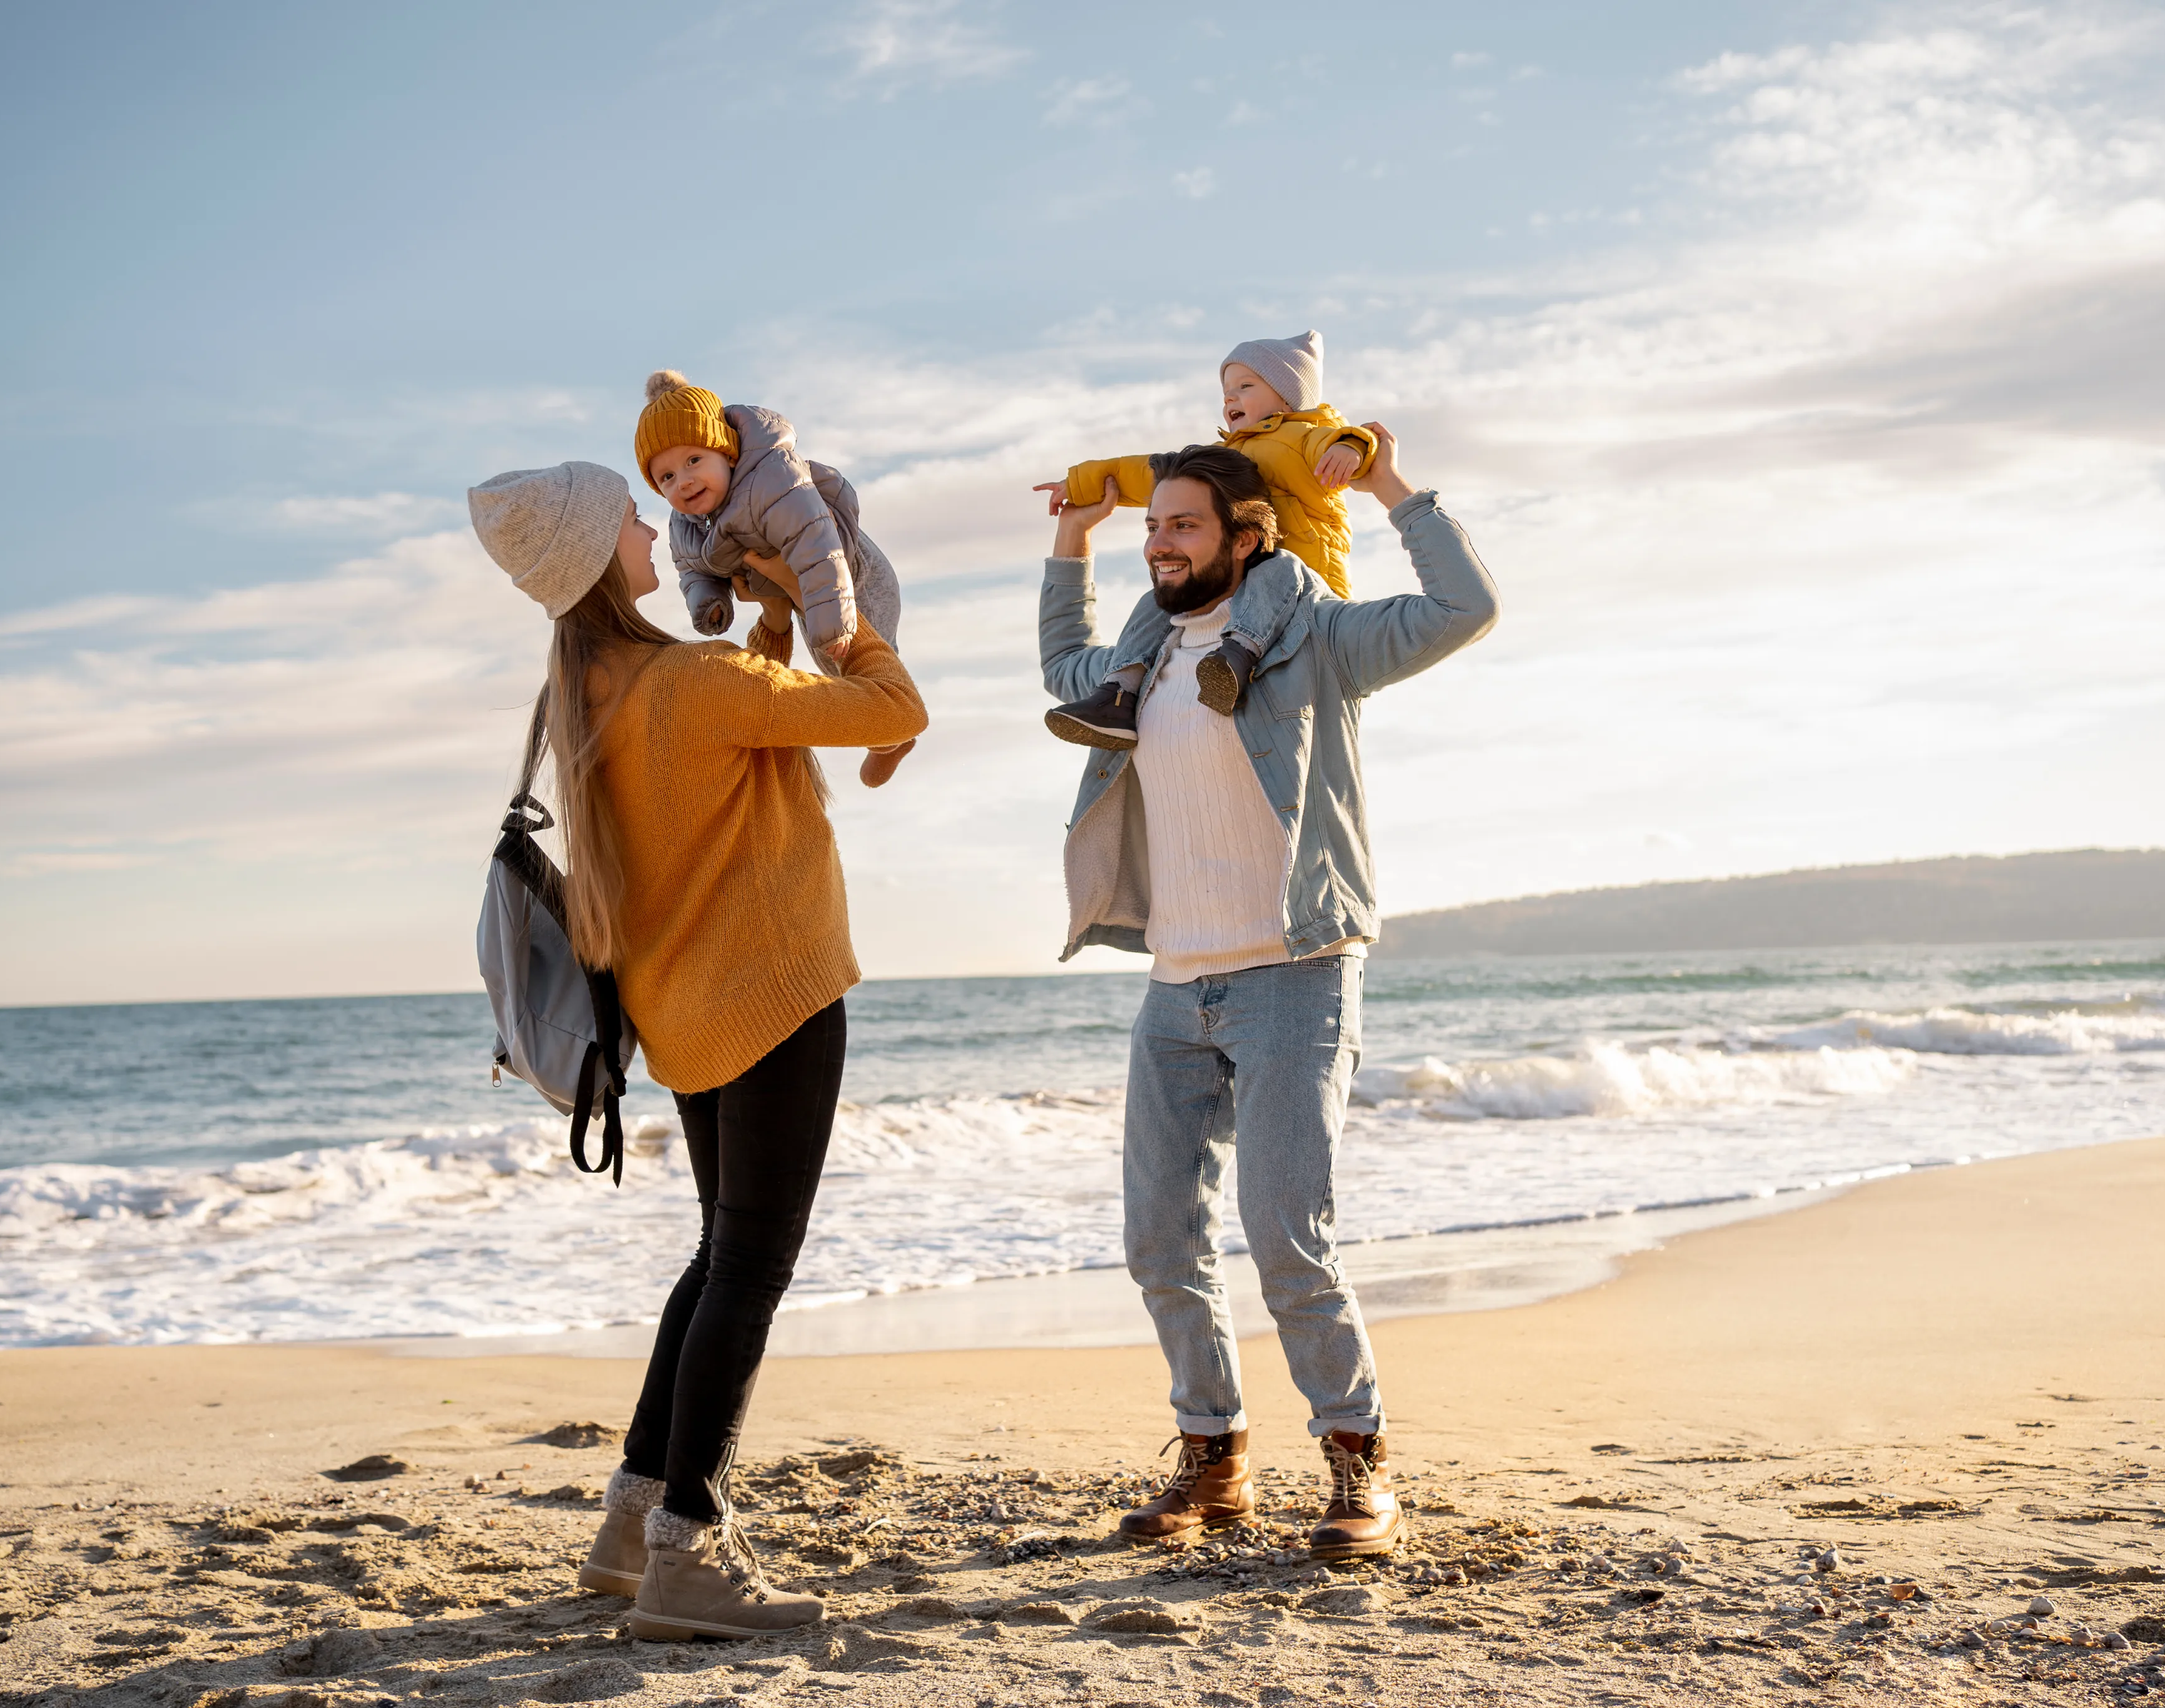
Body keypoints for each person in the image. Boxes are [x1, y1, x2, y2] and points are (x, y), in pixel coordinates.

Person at [467, 457, 927, 1639]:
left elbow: (738, 726)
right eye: (628, 515)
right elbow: (892, 711)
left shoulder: (590, 697)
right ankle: (687, 1552)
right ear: (595, 554)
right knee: (750, 1272)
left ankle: (632, 1524)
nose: (650, 524)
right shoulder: (693, 680)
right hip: (773, 999)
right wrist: (836, 612)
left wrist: (769, 610)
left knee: (717, 1261)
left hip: (685, 1017)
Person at [1034, 430, 1498, 1560]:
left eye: (1182, 524)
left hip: (1296, 970)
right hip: (1175, 983)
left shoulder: (1319, 637)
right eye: (1154, 525)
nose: (1161, 543)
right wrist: (1070, 543)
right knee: (1159, 1240)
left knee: (1286, 1238)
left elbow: (1461, 608)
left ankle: (1358, 1467)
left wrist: (1391, 486)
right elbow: (1061, 669)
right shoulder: (1143, 656)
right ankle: (1215, 1458)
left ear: (1249, 537)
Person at [1035, 331, 1377, 748]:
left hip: (1307, 596)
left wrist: (1353, 449)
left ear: (1289, 399)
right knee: (1158, 600)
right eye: (1226, 391)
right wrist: (1079, 485)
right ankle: (1120, 692)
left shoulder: (1305, 438)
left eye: (1246, 387)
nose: (1231, 399)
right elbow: (1148, 472)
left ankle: (1235, 661)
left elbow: (1349, 440)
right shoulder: (1225, 459)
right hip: (1241, 594)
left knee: (1279, 569)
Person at [634, 369, 917, 787]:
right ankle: (890, 735)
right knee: (834, 662)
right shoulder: (687, 522)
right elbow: (692, 567)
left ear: (727, 453)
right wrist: (710, 604)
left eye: (694, 460)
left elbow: (815, 542)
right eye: (667, 477)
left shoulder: (772, 479)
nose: (685, 481)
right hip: (796, 590)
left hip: (849, 576)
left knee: (846, 660)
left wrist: (821, 613)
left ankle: (893, 739)